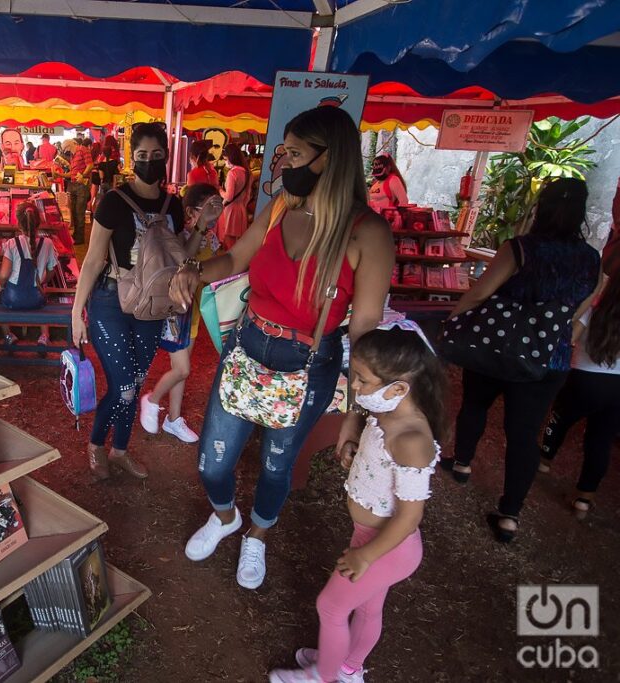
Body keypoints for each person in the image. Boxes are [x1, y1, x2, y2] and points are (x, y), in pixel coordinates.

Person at [169, 106, 394, 589]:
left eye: (293, 153)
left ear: (328, 158)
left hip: (308, 364)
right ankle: (226, 516)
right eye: (284, 150)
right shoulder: (278, 209)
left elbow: (364, 335)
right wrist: (194, 270)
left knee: (278, 465)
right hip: (247, 346)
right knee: (213, 461)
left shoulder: (367, 234)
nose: (282, 161)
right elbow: (233, 258)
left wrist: (354, 418)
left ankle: (258, 535)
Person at [269, 328, 445, 683]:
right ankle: (348, 666)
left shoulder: (412, 439)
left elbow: (410, 517)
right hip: (370, 536)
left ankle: (324, 676)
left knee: (331, 607)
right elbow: (379, 454)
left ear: (397, 389)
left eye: (362, 381)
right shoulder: (385, 411)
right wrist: (356, 450)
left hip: (388, 548)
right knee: (367, 608)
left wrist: (366, 556)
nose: (355, 388)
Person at [439, 177, 600, 543]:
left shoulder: (520, 248)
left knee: (476, 404)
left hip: (497, 345)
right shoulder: (590, 258)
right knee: (524, 433)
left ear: (541, 207)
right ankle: (509, 513)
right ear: (581, 212)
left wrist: (453, 321)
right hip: (548, 357)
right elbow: (582, 307)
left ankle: (462, 463)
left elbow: (481, 292)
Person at [71, 122, 185, 481]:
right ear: (129, 158)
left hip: (152, 305)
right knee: (122, 386)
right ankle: (95, 445)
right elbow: (92, 260)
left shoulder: (174, 205)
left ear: (167, 156)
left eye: (156, 156)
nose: (149, 162)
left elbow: (179, 257)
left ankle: (120, 450)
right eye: (141, 156)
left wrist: (199, 230)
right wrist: (77, 313)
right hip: (110, 302)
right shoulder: (113, 202)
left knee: (134, 384)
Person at [141, 184, 223, 443]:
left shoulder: (211, 238)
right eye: (209, 208)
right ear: (191, 211)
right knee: (183, 369)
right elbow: (184, 260)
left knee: (181, 368)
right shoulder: (180, 235)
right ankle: (151, 400)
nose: (216, 213)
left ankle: (174, 419)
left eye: (218, 206)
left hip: (195, 313)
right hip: (178, 314)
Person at [539, 273, 620, 519]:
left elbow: (569, 337)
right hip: (618, 387)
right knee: (601, 440)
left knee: (560, 418)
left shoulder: (594, 313)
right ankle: (584, 497)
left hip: (584, 378)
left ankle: (543, 459)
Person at [0, 201, 58, 347]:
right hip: (36, 298)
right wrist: (42, 282)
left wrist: (0, 286)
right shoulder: (48, 243)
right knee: (44, 298)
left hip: (13, 298)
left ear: (18, 223)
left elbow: (4, 275)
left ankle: (8, 335)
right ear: (38, 222)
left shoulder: (11, 243)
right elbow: (51, 272)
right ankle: (44, 336)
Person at [217, 143, 252, 250]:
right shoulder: (247, 172)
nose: (225, 161)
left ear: (230, 157)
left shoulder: (233, 173)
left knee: (229, 243)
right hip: (241, 210)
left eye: (225, 158)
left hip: (230, 211)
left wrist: (220, 190)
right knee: (237, 245)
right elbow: (248, 195)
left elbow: (229, 196)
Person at [68, 138, 94, 244]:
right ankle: (76, 234)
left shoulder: (83, 149)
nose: (67, 151)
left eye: (67, 149)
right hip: (74, 184)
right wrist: (60, 175)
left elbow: (90, 165)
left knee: (79, 212)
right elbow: (72, 172)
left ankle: (80, 238)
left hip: (81, 185)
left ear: (70, 146)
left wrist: (82, 175)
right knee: (74, 211)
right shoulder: (72, 155)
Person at [92, 136, 121, 215]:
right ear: (111, 152)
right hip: (112, 184)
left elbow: (101, 176)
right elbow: (116, 175)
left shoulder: (101, 163)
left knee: (103, 201)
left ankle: (103, 214)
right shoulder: (115, 162)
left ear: (104, 153)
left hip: (104, 184)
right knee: (112, 201)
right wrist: (115, 185)